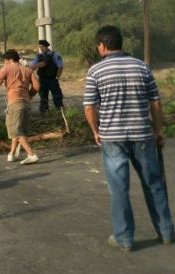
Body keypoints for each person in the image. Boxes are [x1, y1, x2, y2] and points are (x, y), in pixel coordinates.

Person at [83, 25, 173, 252]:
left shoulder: (96, 71)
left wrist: (95, 130)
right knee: (154, 184)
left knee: (119, 188)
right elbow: (155, 102)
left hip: (113, 138)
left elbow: (89, 107)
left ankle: (124, 239)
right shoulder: (141, 66)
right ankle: (166, 232)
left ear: (102, 46)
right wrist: (158, 130)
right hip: (142, 135)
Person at [0, 49, 41, 165]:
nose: (4, 63)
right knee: (19, 130)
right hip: (26, 104)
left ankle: (31, 154)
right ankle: (12, 153)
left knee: (14, 130)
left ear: (10, 59)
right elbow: (37, 86)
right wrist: (29, 96)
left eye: (5, 60)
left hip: (14, 103)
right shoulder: (28, 69)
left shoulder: (6, 68)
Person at [31, 39, 64, 113]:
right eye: (40, 47)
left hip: (52, 79)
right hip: (42, 79)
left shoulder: (55, 55)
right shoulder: (38, 56)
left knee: (57, 96)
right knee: (43, 97)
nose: (41, 49)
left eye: (42, 47)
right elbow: (33, 66)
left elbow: (60, 67)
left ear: (46, 47)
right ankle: (44, 112)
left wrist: (57, 77)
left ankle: (60, 112)